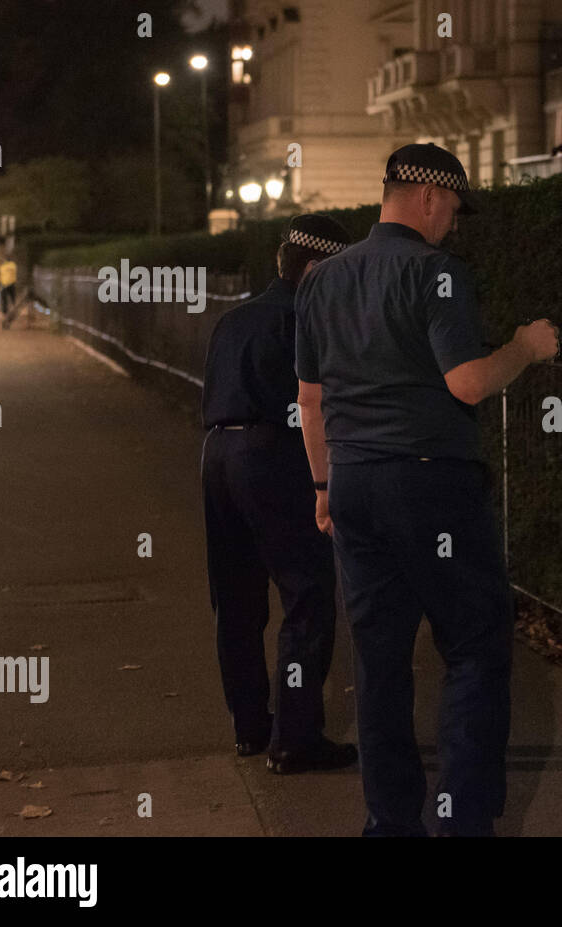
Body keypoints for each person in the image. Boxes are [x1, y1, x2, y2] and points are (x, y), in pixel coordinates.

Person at [295, 143, 560, 836]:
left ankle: (390, 822)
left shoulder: (322, 280)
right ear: (429, 198)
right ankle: (463, 821)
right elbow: (468, 381)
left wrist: (324, 484)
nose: (453, 225)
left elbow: (310, 401)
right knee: (474, 645)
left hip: (353, 481)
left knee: (379, 661)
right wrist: (527, 346)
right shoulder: (436, 273)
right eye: (452, 211)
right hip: (430, 483)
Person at [200, 214, 359, 775]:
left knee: (236, 599)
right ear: (315, 268)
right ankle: (295, 738)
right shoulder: (306, 319)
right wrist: (325, 482)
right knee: (307, 593)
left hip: (217, 452)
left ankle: (250, 728)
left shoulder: (234, 317)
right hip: (273, 455)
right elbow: (317, 405)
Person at [0, 255, 17, 319]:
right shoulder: (13, 265)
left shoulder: (2, 266)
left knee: (4, 299)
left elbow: (0, 275)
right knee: (13, 298)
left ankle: (4, 312)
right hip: (12, 284)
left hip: (4, 285)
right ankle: (15, 309)